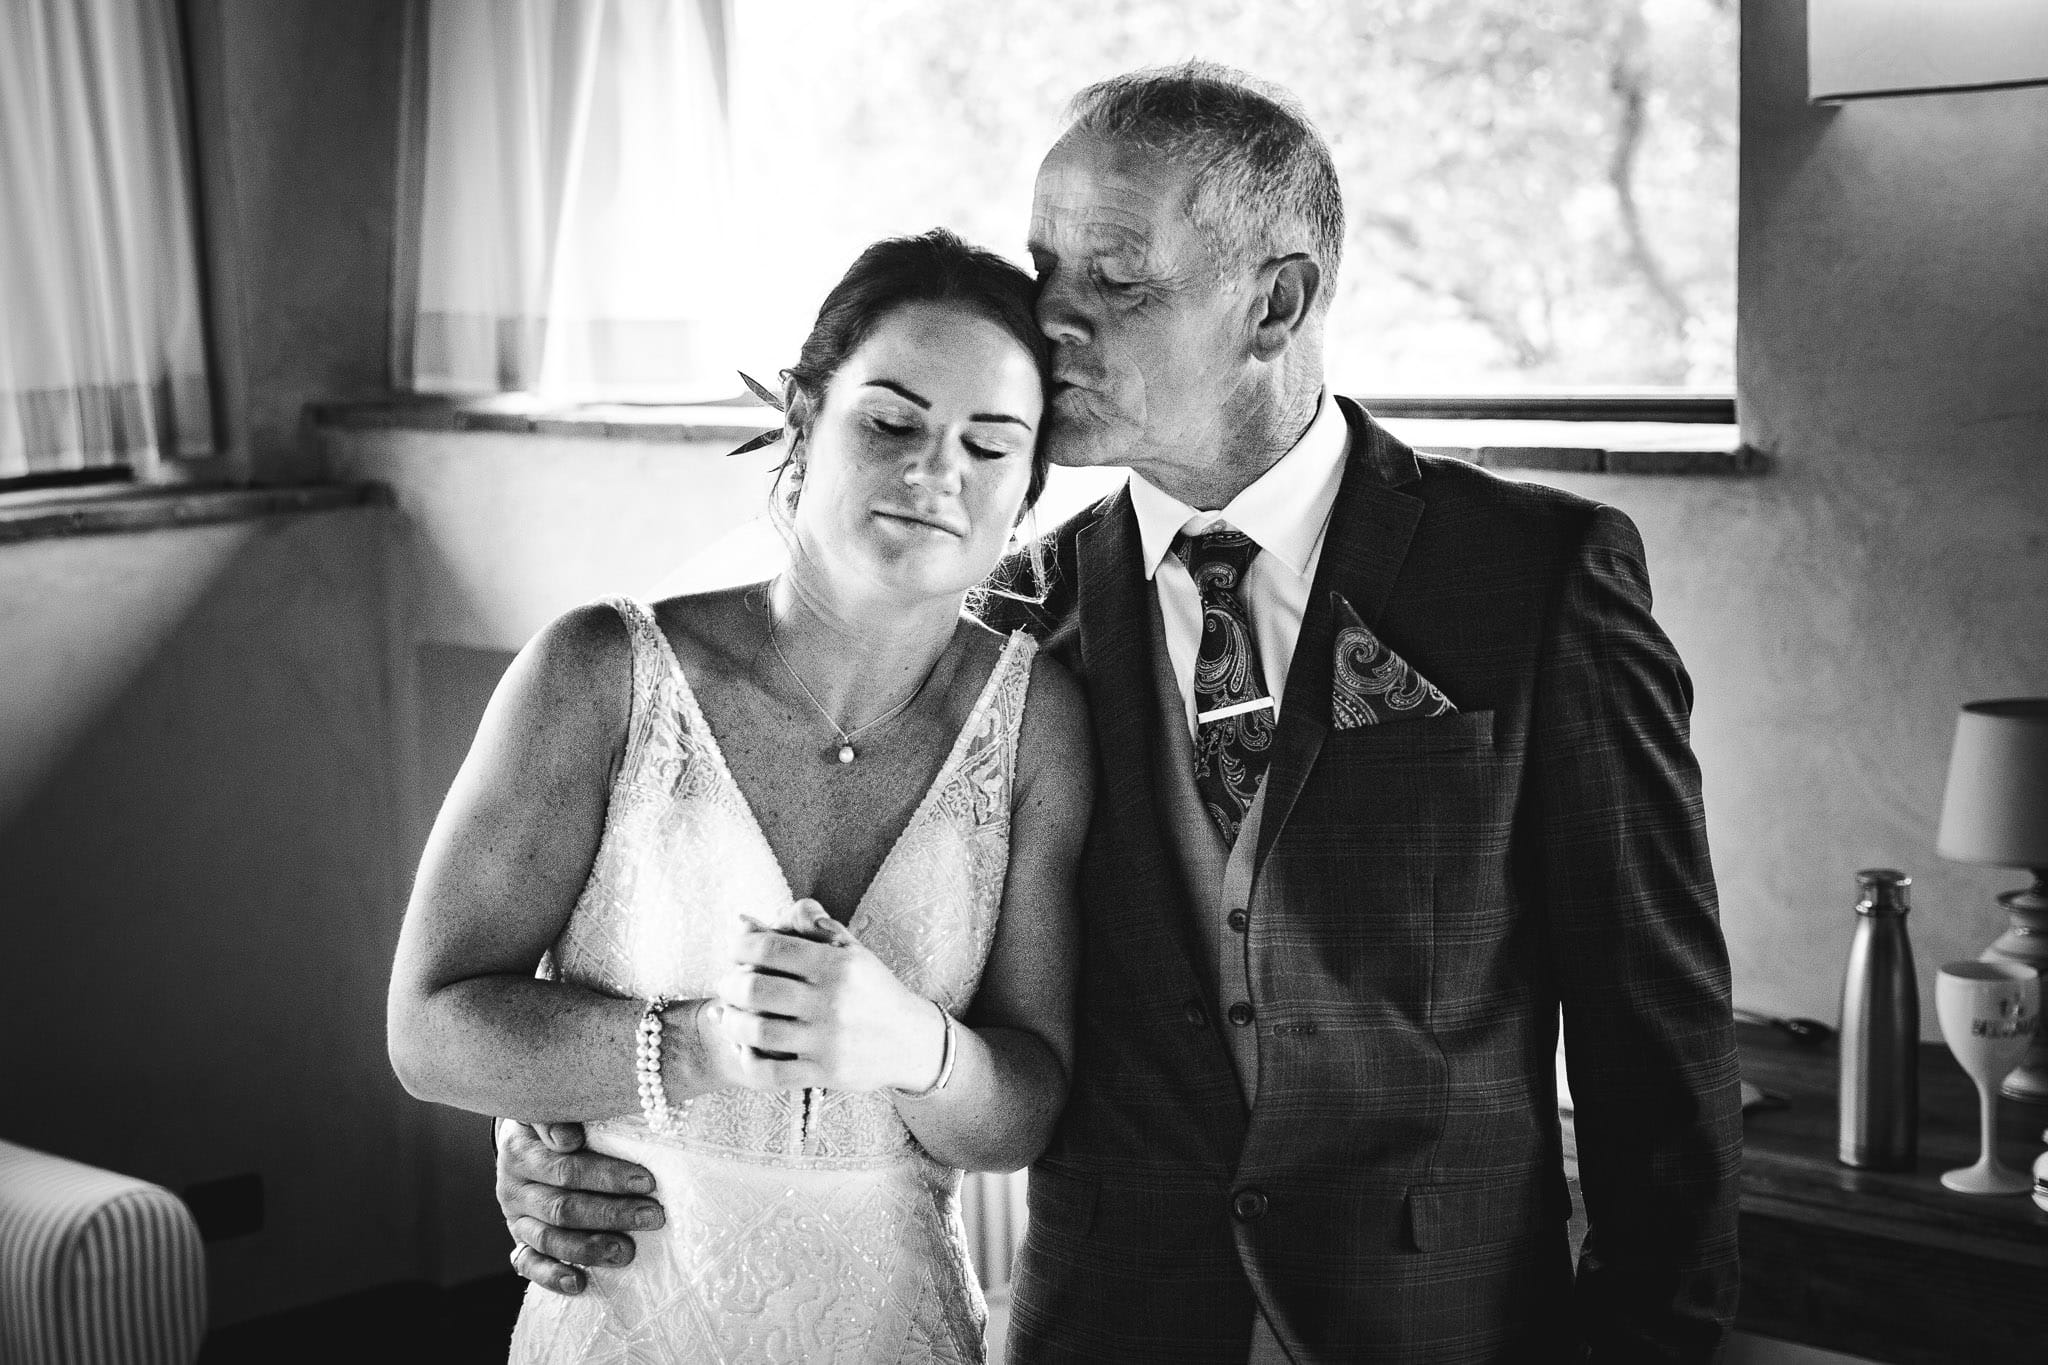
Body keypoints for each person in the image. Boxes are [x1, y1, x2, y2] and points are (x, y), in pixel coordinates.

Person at [495, 64, 1744, 1363]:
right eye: (1045, 274)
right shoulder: (1007, 619)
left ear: (1279, 301)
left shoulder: (1535, 583)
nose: (1053, 326)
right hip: (1108, 1323)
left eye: (1118, 280)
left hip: (1445, 1327)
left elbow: (1657, 1040)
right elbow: (788, 917)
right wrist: (553, 1135)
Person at [387, 228, 1092, 1364]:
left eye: (989, 444)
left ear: (1026, 484)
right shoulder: (597, 674)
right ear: (804, 418)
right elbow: (429, 1030)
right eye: (891, 422)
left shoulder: (1036, 721)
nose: (934, 474)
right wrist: (707, 1046)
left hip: (892, 1325)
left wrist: (911, 1043)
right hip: (626, 1315)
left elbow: (1021, 1114)